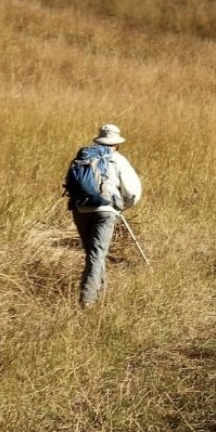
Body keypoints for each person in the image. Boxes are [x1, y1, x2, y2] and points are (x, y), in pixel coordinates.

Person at [65, 123, 143, 308]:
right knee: (97, 254)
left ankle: (101, 294)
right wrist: (122, 205)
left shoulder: (83, 156)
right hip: (106, 211)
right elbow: (132, 191)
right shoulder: (118, 160)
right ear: (116, 143)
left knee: (92, 255)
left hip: (81, 209)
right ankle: (88, 301)